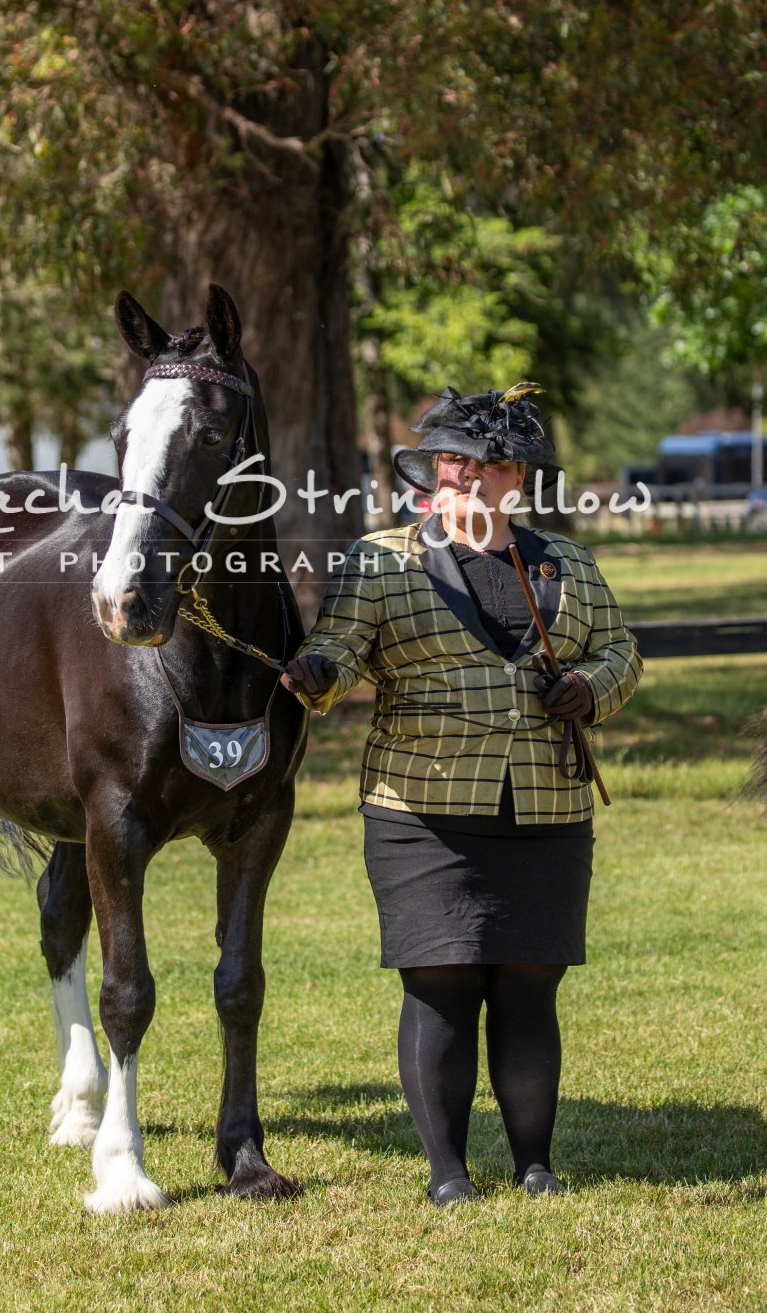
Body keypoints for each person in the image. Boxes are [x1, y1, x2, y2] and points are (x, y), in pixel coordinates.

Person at [281, 383, 643, 1206]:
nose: (472, 476)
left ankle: (534, 1165)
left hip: (546, 809)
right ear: (432, 470)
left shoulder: (566, 562)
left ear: (519, 478)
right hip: (422, 812)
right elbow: (340, 645)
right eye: (455, 461)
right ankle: (447, 1174)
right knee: (440, 982)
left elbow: (619, 651)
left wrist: (589, 687)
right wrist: (318, 674)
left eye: (493, 464)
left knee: (529, 983)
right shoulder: (381, 558)